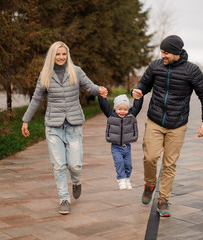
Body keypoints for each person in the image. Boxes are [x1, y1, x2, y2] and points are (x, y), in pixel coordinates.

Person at [21, 41, 108, 215]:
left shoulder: (75, 71)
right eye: (57, 54)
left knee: (75, 164)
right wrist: (26, 120)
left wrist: (99, 89)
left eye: (64, 54)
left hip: (73, 126)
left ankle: (76, 181)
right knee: (59, 165)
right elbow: (36, 98)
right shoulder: (45, 74)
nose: (61, 57)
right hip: (54, 127)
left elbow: (89, 86)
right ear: (52, 56)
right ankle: (64, 199)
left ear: (67, 55)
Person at [132, 35, 203, 217]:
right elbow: (143, 84)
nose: (163, 55)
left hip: (177, 125)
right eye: (161, 51)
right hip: (155, 120)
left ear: (177, 52)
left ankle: (163, 199)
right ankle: (149, 183)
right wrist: (137, 90)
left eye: (166, 52)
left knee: (170, 163)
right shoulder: (155, 66)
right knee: (150, 157)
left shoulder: (192, 71)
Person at [98, 94, 143, 190]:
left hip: (127, 146)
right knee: (119, 162)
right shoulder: (111, 115)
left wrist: (139, 98)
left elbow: (137, 107)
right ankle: (121, 179)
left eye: (125, 109)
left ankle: (127, 178)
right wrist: (102, 97)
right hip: (116, 146)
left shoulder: (131, 116)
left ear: (128, 110)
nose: (122, 112)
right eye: (119, 109)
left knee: (128, 164)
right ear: (115, 109)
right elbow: (104, 105)